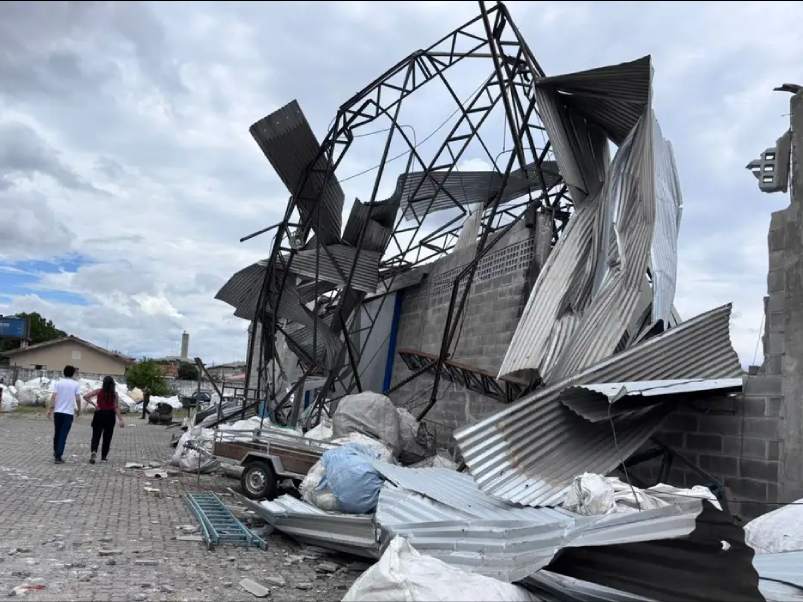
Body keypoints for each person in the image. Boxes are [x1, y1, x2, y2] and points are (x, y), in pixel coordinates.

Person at [83, 376, 124, 464]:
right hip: (110, 415)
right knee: (107, 437)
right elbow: (116, 407)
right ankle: (103, 457)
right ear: (112, 384)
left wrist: (94, 405)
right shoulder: (115, 394)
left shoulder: (99, 391)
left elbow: (86, 396)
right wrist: (120, 419)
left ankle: (94, 451)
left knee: (96, 435)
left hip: (99, 414)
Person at [47, 365, 81, 464]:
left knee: (57, 433)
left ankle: (56, 451)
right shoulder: (75, 384)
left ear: (64, 372)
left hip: (57, 412)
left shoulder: (58, 383)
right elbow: (78, 399)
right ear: (73, 373)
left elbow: (53, 397)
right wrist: (79, 409)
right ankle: (58, 456)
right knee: (63, 434)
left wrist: (50, 409)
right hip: (68, 413)